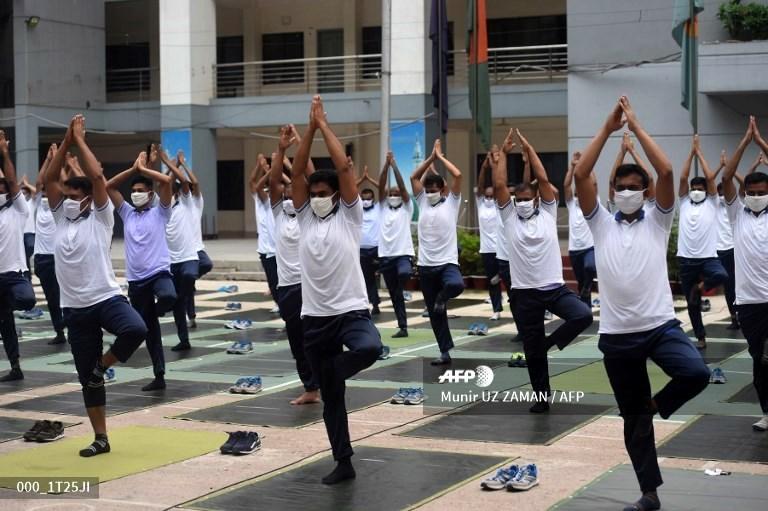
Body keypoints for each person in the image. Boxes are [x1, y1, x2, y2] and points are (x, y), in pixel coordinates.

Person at [575, 97, 709, 511]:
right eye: (622, 188)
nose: (628, 192)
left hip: (659, 327)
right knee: (633, 423)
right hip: (617, 337)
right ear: (612, 192)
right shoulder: (599, 221)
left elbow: (667, 171)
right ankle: (649, 493)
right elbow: (581, 174)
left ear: (646, 192)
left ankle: (657, 404)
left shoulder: (658, 219)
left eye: (635, 188)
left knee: (696, 373)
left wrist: (636, 123)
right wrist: (608, 127)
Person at [291, 96, 382, 484]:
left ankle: (332, 372)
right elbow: (296, 176)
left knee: (370, 348)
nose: (318, 198)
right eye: (314, 194)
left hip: (350, 312)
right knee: (333, 402)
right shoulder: (306, 219)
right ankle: (343, 462)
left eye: (324, 193)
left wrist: (324, 126)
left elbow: (344, 167)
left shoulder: (350, 216)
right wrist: (307, 131)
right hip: (315, 319)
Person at [45, 115, 147, 456]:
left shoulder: (101, 218)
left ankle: (102, 365)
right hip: (75, 309)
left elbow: (98, 177)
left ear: (87, 199)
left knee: (135, 329)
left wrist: (81, 142)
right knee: (86, 380)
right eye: (67, 195)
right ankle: (101, 438)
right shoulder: (60, 217)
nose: (69, 200)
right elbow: (48, 179)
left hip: (106, 297)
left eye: (75, 195)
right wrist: (66, 139)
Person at [492, 128, 593, 413]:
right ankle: (541, 396)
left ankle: (552, 342)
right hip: (524, 294)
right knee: (532, 351)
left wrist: (530, 148)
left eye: (526, 198)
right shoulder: (510, 217)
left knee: (583, 315)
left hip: (554, 289)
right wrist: (504, 155)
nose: (522, 202)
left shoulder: (548, 210)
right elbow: (500, 185)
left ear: (537, 199)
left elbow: (545, 179)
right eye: (518, 199)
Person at [107, 146, 176, 392]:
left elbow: (167, 181)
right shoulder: (127, 213)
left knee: (169, 295)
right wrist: (132, 170)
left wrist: (144, 169)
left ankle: (156, 312)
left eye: (140, 191)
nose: (135, 194)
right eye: (133, 191)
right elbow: (109, 188)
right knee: (149, 333)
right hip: (136, 281)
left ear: (150, 194)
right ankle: (159, 374)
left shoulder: (160, 212)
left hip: (158, 274)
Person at [722, 116, 768, 432]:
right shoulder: (737, 215)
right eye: (750, 191)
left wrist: (761, 141)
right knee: (760, 360)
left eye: (761, 191)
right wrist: (744, 142)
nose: (755, 195)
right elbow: (726, 179)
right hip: (749, 303)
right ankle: (767, 411)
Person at [271, 124, 320, 405]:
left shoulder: (309, 212)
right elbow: (276, 180)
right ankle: (310, 387)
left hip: (313, 285)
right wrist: (281, 149)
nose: (290, 195)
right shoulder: (279, 213)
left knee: (319, 337)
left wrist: (303, 141)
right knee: (297, 340)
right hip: (288, 287)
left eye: (295, 192)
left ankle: (328, 379)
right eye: (287, 192)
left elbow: (312, 177)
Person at [410, 139, 465, 366]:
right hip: (425, 266)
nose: (430, 193)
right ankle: (444, 352)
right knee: (435, 315)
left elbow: (459, 176)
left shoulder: (451, 203)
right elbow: (414, 178)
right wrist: (430, 159)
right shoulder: (422, 201)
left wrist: (440, 158)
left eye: (434, 190)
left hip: (447, 263)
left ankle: (443, 298)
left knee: (456, 286)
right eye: (428, 190)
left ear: (442, 189)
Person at [676, 135, 729, 350]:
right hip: (686, 259)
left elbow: (709, 177)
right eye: (694, 188)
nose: (697, 190)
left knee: (721, 275)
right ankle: (700, 337)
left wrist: (700, 153)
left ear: (706, 189)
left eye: (701, 187)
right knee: (692, 304)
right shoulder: (684, 202)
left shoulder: (713, 203)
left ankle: (701, 287)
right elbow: (682, 177)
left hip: (708, 257)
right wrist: (691, 153)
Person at [0, 129, 36, 381]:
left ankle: (8, 305)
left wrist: (4, 154)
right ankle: (15, 367)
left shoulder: (18, 209)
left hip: (15, 275)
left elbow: (13, 183)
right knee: (6, 325)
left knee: (27, 301)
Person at [161, 150, 199, 352]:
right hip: (170, 261)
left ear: (175, 194)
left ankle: (182, 296)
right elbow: (161, 183)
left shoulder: (185, 202)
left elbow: (184, 182)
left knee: (190, 274)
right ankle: (184, 340)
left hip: (188, 257)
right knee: (177, 306)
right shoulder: (162, 209)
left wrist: (170, 163)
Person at [377, 151, 414, 339]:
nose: (393, 196)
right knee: (395, 295)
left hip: (403, 254)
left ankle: (405, 281)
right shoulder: (382, 207)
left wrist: (395, 166)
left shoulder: (407, 208)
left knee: (404, 273)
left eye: (396, 194)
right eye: (391, 194)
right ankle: (403, 327)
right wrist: (386, 165)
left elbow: (402, 187)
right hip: (385, 256)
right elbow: (381, 184)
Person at [33, 145, 67, 345]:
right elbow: (39, 182)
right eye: (44, 191)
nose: (45, 193)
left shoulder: (58, 206)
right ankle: (59, 332)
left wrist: (59, 162)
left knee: (63, 296)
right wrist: (47, 160)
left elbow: (62, 183)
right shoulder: (38, 203)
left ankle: (70, 326)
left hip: (57, 257)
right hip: (42, 258)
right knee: (51, 299)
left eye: (48, 191)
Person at [177, 151, 213, 329]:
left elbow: (196, 183)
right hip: (185, 252)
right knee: (188, 288)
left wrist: (183, 165)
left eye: (190, 190)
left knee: (206, 264)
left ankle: (188, 282)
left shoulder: (197, 203)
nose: (188, 193)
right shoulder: (179, 207)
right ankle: (190, 316)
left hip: (197, 248)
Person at [563, 151, 597, 306]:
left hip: (589, 246)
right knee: (581, 281)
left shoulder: (592, 202)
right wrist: (572, 166)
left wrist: (586, 164)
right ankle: (586, 308)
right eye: (576, 193)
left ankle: (587, 288)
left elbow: (594, 184)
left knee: (590, 267)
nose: (579, 194)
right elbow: (566, 185)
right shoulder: (572, 205)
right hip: (574, 249)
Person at [250, 156, 280, 314]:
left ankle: (283, 303)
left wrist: (270, 170)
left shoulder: (276, 199)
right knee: (272, 280)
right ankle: (278, 302)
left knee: (281, 281)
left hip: (279, 248)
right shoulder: (261, 197)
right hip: (265, 248)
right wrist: (259, 166)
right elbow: (253, 183)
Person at [476, 152, 503, 320]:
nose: (488, 198)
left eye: (491, 196)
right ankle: (496, 309)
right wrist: (484, 167)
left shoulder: (498, 206)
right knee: (492, 282)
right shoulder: (481, 205)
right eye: (486, 196)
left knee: (504, 279)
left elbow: (497, 185)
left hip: (501, 249)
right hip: (486, 249)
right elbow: (479, 186)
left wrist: (494, 167)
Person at [357, 166, 382, 315]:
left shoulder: (379, 208)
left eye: (369, 199)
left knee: (389, 275)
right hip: (361, 250)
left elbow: (383, 189)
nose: (366, 201)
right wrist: (361, 180)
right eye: (364, 199)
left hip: (377, 249)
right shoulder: (357, 208)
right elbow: (350, 188)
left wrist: (370, 179)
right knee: (367, 279)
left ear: (373, 199)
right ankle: (374, 303)